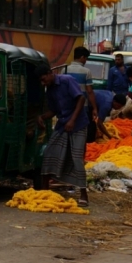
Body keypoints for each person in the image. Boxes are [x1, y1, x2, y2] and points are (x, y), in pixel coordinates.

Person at [36, 63, 89, 207]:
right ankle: (45, 190)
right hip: (63, 124)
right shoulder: (50, 91)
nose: (43, 83)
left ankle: (83, 194)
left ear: (49, 73)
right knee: (49, 153)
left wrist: (72, 120)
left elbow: (81, 99)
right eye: (41, 81)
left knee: (77, 158)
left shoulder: (67, 80)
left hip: (78, 124)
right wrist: (42, 117)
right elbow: (54, 110)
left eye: (44, 79)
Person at [65, 47, 99, 125]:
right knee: (81, 128)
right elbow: (89, 91)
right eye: (86, 58)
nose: (85, 61)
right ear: (82, 57)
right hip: (83, 106)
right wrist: (94, 108)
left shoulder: (65, 70)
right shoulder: (86, 71)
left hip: (67, 105)